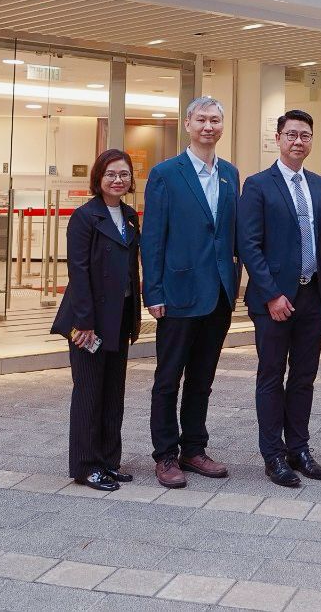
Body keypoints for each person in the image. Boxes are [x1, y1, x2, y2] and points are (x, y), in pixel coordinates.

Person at [141, 96, 241, 487]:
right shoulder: (166, 174)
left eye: (215, 120)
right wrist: (154, 292)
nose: (208, 127)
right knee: (168, 378)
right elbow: (153, 238)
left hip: (218, 294)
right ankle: (165, 454)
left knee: (202, 378)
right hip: (178, 292)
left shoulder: (230, 173)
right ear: (187, 124)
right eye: (201, 120)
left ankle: (194, 449)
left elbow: (230, 234)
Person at [238, 110, 321, 488]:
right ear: (278, 139)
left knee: (304, 377)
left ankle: (299, 449)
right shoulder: (258, 185)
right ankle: (273, 455)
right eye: (291, 134)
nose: (298, 141)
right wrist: (272, 294)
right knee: (271, 375)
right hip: (274, 301)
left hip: (313, 296)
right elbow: (249, 244)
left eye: (305, 135)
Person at [50, 150, 142, 491]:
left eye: (124, 174)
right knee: (89, 393)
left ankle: (108, 461)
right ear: (98, 178)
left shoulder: (129, 216)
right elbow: (78, 271)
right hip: (88, 321)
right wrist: (85, 323)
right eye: (111, 174)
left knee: (113, 393)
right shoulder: (85, 217)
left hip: (120, 317)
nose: (118, 180)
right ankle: (86, 466)